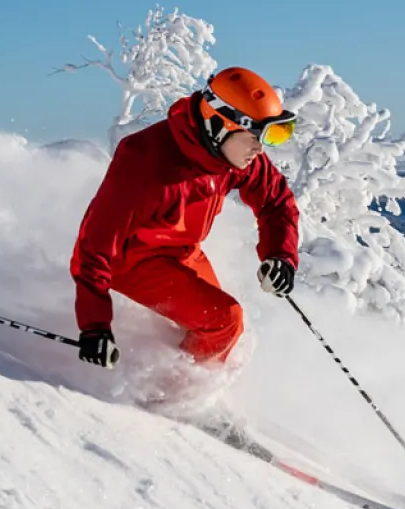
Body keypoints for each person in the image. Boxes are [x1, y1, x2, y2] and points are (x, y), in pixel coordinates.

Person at [69, 67, 301, 378]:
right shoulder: (145, 161)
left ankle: (197, 387)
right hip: (133, 260)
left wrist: (280, 255)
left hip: (184, 253)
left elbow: (276, 202)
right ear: (219, 124)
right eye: (254, 137)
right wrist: (94, 327)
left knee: (226, 329)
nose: (259, 149)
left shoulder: (235, 157)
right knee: (224, 320)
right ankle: (170, 396)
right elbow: (93, 246)